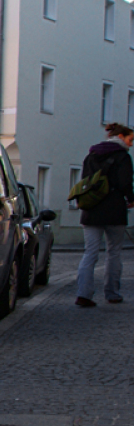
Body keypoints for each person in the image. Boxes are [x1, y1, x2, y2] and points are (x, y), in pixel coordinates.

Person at [76, 122, 134, 307]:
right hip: (114, 210)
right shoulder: (123, 157)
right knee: (114, 253)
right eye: (130, 140)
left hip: (91, 209)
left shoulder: (91, 155)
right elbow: (126, 182)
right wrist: (131, 199)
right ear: (121, 137)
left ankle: (83, 294)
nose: (131, 144)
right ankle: (112, 293)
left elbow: (85, 182)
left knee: (90, 253)